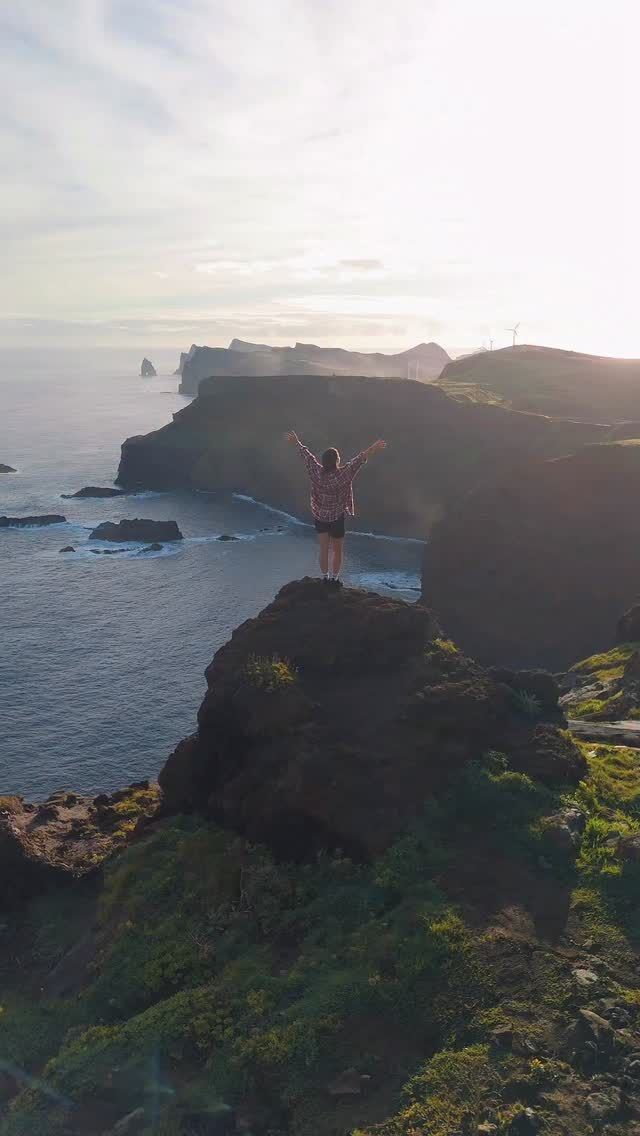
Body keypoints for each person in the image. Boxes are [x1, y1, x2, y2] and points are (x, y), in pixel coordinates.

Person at [286, 430, 387, 585]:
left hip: (320, 517)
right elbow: (360, 459)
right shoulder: (343, 474)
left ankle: (325, 577)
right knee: (338, 551)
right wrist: (374, 446)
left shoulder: (316, 473)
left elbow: (307, 457)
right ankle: (334, 579)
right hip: (337, 517)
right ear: (337, 461)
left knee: (323, 549)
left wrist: (297, 442)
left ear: (324, 461)